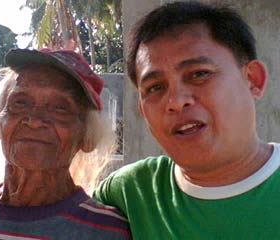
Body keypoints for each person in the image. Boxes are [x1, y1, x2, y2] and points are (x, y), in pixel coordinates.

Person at [94, 1, 280, 239]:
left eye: (199, 74)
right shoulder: (130, 194)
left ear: (253, 80)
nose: (176, 101)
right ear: (142, 108)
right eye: (155, 87)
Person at [0, 48, 131, 239]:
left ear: (86, 136)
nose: (34, 120)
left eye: (60, 108)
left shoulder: (107, 231)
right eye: (20, 102)